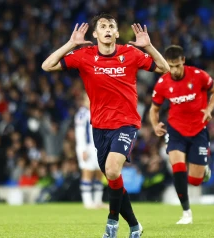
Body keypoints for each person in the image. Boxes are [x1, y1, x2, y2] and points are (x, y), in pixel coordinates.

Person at [42, 13, 169, 238]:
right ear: (96, 33)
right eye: (103, 26)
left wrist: (148, 47)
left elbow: (165, 68)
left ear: (117, 33)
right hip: (99, 127)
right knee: (113, 178)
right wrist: (71, 44)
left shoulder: (130, 53)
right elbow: (47, 65)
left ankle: (111, 223)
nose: (108, 28)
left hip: (126, 123)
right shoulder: (84, 56)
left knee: (112, 170)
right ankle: (135, 226)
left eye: (111, 25)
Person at [149, 45, 214, 224]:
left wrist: (209, 109)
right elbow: (154, 108)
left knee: (195, 181)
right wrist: (155, 124)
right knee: (178, 167)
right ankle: (186, 212)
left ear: (183, 61)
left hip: (198, 129)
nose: (173, 70)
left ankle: (203, 169)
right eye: (170, 66)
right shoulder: (163, 82)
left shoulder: (198, 76)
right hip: (176, 130)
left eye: (176, 65)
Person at [75, 92, 106, 209]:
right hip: (86, 148)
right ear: (83, 101)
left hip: (98, 147)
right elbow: (80, 134)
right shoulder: (82, 114)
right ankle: (87, 202)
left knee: (99, 173)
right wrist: (83, 149)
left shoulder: (98, 111)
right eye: (88, 99)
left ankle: (98, 201)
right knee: (87, 172)